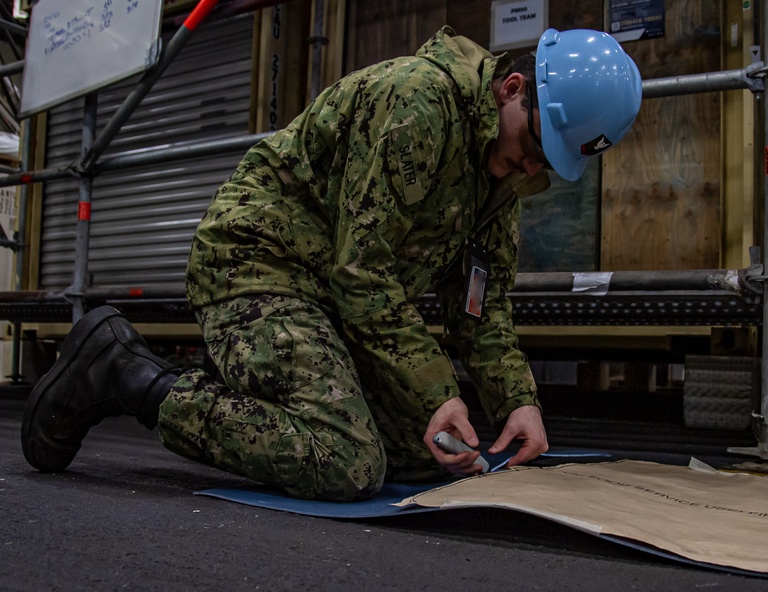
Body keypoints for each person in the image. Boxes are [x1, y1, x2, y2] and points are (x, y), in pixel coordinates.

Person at [21, 27, 642, 500]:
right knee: (348, 460)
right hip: (257, 264)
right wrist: (437, 389)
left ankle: (291, 388)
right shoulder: (418, 106)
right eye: (537, 146)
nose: (534, 169)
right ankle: (126, 375)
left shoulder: (502, 175)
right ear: (512, 89)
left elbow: (482, 307)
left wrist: (516, 403)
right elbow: (362, 271)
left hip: (333, 299)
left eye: (551, 164)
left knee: (438, 454)